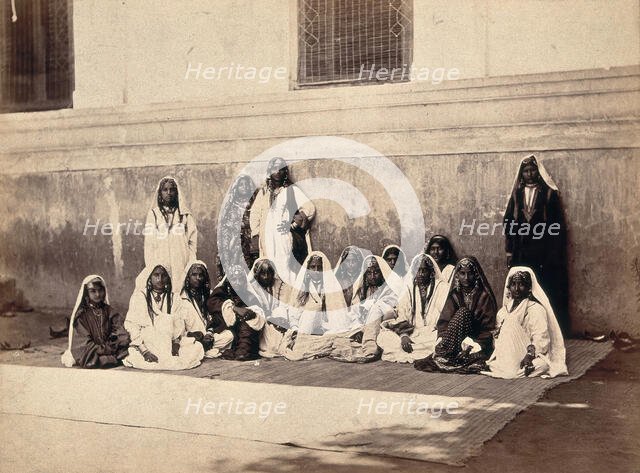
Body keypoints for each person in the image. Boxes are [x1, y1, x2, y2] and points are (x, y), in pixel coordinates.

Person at [503, 155, 569, 335]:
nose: (529, 174)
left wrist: (554, 252)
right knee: (522, 286)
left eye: (532, 170)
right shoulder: (516, 195)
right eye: (526, 171)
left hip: (544, 251)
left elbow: (557, 225)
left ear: (538, 172)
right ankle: (522, 326)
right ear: (521, 174)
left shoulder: (549, 194)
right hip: (521, 250)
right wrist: (509, 251)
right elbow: (508, 222)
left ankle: (548, 328)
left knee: (545, 286)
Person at [414, 256, 497, 374]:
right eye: (462, 273)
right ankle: (448, 353)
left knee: (472, 359)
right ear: (457, 275)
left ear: (476, 275)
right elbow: (444, 322)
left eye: (470, 274)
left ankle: (453, 356)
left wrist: (469, 347)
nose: (466, 278)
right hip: (455, 343)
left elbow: (488, 329)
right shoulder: (455, 295)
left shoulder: (484, 297)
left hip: (477, 342)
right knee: (462, 313)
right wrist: (444, 340)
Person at [482, 267, 567, 378]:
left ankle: (512, 370)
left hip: (527, 353)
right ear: (509, 287)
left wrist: (529, 355)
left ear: (528, 288)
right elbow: (497, 341)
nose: (517, 289)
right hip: (508, 354)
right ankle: (514, 369)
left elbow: (541, 338)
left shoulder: (536, 309)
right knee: (509, 321)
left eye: (521, 284)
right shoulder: (503, 312)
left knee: (543, 364)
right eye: (513, 284)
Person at [248, 157, 316, 284]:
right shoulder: (263, 192)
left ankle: (288, 299)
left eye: (281, 169)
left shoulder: (291, 190)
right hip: (266, 237)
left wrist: (293, 223)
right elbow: (255, 214)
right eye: (274, 168)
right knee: (268, 268)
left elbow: (309, 208)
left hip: (283, 236)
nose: (277, 172)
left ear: (285, 172)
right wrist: (257, 234)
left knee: (285, 266)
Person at [123, 265, 204, 370]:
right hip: (148, 342)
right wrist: (145, 352)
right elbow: (133, 326)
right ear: (149, 277)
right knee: (138, 356)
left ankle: (167, 357)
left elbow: (178, 326)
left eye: (163, 276)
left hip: (168, 341)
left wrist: (175, 346)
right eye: (156, 275)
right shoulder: (139, 297)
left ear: (168, 278)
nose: (160, 279)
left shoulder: (174, 298)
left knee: (196, 347)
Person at [377, 255, 449, 363]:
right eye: (417, 270)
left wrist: (432, 330)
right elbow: (402, 314)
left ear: (431, 272)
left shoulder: (442, 288)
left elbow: (444, 316)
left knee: (440, 340)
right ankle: (417, 350)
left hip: (432, 333)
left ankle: (415, 351)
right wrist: (404, 335)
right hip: (412, 331)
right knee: (384, 336)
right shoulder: (409, 289)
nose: (420, 274)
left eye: (424, 271)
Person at [330, 255, 401, 363]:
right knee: (338, 340)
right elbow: (355, 313)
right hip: (366, 327)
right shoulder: (362, 290)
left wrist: (373, 306)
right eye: (369, 273)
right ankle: (365, 341)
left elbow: (393, 309)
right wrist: (359, 329)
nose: (372, 276)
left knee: (376, 307)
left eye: (376, 272)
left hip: (386, 324)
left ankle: (370, 351)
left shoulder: (390, 288)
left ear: (382, 273)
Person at [284, 252, 352, 360]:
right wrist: (295, 328)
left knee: (336, 337)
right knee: (313, 309)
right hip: (307, 326)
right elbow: (294, 312)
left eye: (319, 268)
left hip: (326, 326)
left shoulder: (331, 284)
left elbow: (338, 312)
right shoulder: (302, 286)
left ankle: (318, 341)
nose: (316, 271)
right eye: (313, 267)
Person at [60, 275, 129, 368]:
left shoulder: (110, 311)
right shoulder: (82, 316)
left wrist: (112, 344)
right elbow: (82, 342)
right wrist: (102, 350)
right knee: (95, 359)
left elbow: (121, 332)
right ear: (86, 293)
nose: (97, 294)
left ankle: (111, 358)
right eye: (93, 291)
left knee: (128, 349)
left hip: (112, 348)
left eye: (100, 290)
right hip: (92, 352)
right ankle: (107, 359)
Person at [174, 261, 233, 358]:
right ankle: (203, 347)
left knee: (229, 335)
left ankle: (203, 348)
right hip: (192, 337)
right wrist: (192, 335)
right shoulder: (181, 298)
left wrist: (210, 332)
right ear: (188, 277)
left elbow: (216, 319)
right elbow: (178, 327)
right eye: (194, 275)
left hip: (210, 336)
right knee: (186, 343)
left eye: (201, 275)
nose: (198, 278)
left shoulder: (209, 295)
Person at [207, 265, 266, 361]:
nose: (237, 283)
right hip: (225, 327)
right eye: (234, 280)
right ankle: (241, 349)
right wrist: (234, 308)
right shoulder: (221, 291)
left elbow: (257, 310)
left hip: (243, 329)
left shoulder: (248, 294)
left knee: (250, 320)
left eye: (240, 280)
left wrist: (250, 313)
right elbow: (212, 304)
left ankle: (243, 350)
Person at [144, 176, 198, 280]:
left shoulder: (185, 215)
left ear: (176, 192)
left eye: (172, 190)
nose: (169, 193)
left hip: (181, 260)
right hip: (160, 259)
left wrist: (191, 262)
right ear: (160, 193)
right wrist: (152, 266)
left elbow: (192, 242)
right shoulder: (154, 215)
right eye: (165, 190)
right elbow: (149, 244)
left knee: (180, 286)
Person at [249, 258, 293, 358]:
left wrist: (277, 319)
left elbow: (284, 304)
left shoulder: (280, 285)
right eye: (263, 274)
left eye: (269, 273)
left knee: (280, 311)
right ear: (257, 274)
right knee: (271, 346)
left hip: (280, 321)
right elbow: (256, 309)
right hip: (263, 324)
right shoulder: (252, 287)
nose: (266, 277)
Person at [217, 174, 259, 279]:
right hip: (236, 244)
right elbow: (225, 228)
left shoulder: (256, 204)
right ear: (236, 188)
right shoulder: (231, 206)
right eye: (241, 185)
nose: (244, 187)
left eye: (246, 184)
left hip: (254, 243)